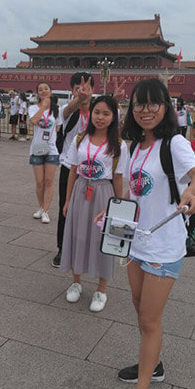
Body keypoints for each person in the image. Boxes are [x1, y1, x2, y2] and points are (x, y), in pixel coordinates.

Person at [112, 78, 195, 389]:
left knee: (150, 320)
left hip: (164, 246)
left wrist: (191, 193)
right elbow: (134, 194)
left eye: (153, 103)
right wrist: (113, 217)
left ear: (165, 107)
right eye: (139, 103)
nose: (145, 110)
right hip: (136, 241)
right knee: (140, 310)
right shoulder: (134, 147)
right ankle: (154, 364)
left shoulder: (174, 142)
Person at [60, 95, 128, 312]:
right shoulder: (80, 139)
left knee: (103, 240)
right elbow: (72, 171)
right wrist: (67, 200)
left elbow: (118, 177)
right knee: (77, 236)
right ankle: (76, 282)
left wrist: (118, 208)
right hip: (80, 190)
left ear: (114, 117)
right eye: (97, 112)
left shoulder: (119, 145)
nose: (100, 117)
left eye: (106, 113)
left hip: (103, 193)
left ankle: (101, 290)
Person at [52, 72, 95, 267]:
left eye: (86, 87)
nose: (82, 91)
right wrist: (79, 99)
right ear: (72, 91)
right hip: (69, 167)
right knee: (66, 208)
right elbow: (70, 108)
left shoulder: (97, 112)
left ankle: (87, 248)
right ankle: (62, 247)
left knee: (91, 210)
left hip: (93, 170)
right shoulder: (67, 111)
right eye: (78, 88)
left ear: (93, 90)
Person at [28, 82, 61, 223]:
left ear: (51, 91)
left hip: (51, 149)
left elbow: (58, 128)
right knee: (39, 182)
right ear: (37, 93)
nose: (43, 91)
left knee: (49, 181)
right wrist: (43, 107)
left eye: (46, 89)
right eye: (40, 89)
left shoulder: (57, 110)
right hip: (37, 148)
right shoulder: (33, 108)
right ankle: (41, 207)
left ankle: (46, 210)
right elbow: (34, 121)